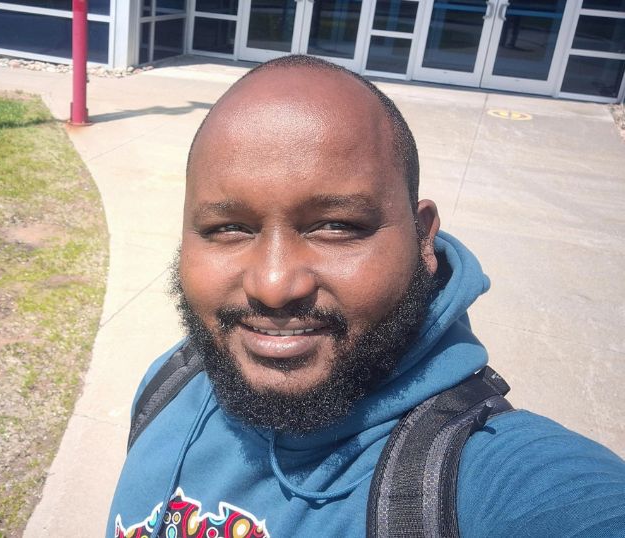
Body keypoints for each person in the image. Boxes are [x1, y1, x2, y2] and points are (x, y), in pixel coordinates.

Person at [106, 55, 625, 537]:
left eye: (337, 225)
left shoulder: (490, 477)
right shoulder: (170, 384)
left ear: (423, 238)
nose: (273, 285)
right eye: (228, 228)